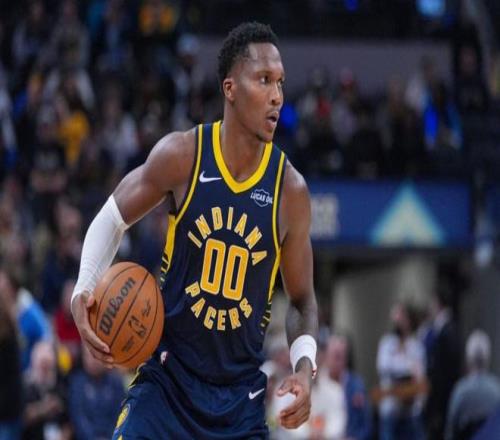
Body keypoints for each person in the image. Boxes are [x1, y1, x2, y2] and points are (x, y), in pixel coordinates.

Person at [71, 22, 319, 439]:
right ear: (230, 88)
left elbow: (302, 299)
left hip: (238, 404)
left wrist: (305, 367)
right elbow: (112, 217)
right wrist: (83, 288)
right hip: (167, 387)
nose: (277, 95)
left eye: (280, 82)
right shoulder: (184, 155)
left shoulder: (289, 190)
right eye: (263, 80)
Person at [376, 302, 426, 440]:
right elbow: (384, 367)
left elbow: (420, 375)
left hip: (411, 411)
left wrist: (401, 363)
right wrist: (407, 366)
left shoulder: (416, 346)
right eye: (396, 316)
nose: (398, 320)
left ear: (408, 320)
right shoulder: (387, 343)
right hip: (390, 409)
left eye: (401, 316)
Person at [445, 330, 500, 440]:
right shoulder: (497, 388)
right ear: (488, 357)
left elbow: (450, 430)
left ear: (468, 359)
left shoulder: (461, 390)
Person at [326, 333, 372, 440]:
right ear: (326, 356)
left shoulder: (356, 385)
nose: (336, 361)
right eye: (334, 356)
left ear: (346, 358)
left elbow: (366, 425)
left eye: (340, 356)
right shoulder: (318, 384)